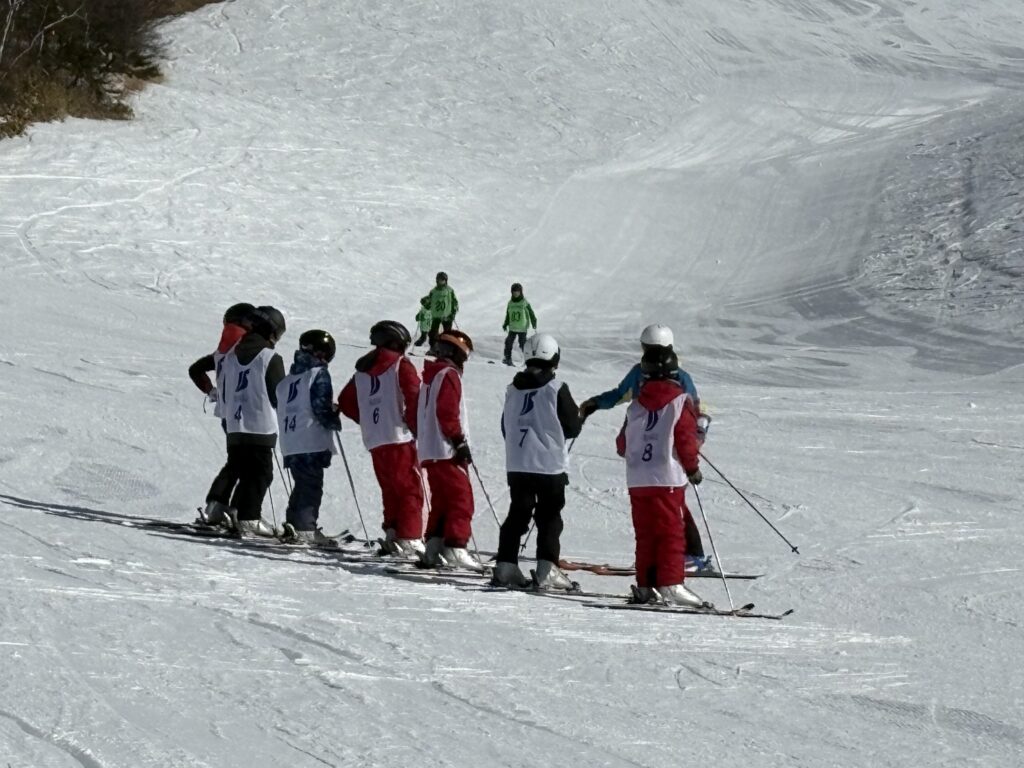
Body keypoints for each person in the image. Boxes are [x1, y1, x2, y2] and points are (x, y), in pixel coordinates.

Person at [579, 323, 712, 571]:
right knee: (665, 502)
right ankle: (676, 554)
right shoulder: (662, 373)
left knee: (667, 503)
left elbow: (621, 395)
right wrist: (595, 403)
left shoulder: (659, 374)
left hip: (655, 441)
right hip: (656, 441)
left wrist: (597, 403)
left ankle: (688, 554)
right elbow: (692, 409)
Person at [615, 346, 710, 608]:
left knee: (646, 534)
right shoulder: (680, 401)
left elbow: (622, 445)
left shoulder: (635, 405)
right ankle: (671, 584)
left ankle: (646, 586)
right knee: (670, 532)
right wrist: (692, 468)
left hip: (638, 479)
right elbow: (685, 440)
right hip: (667, 478)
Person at [493, 333, 583, 590]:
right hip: (548, 465)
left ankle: (506, 565)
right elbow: (572, 426)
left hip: (518, 463)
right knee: (549, 517)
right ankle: (547, 568)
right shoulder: (555, 388)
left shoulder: (512, 389)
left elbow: (506, 426)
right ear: (554, 358)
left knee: (518, 513)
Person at [337, 321, 424, 557]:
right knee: (410, 489)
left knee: (390, 489)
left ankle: (393, 533)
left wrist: (367, 420)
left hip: (375, 439)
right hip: (399, 437)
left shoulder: (361, 372)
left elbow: (345, 401)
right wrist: (416, 426)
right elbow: (414, 396)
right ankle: (409, 538)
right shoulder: (399, 365)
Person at [219, 305, 288, 538]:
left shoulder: (232, 355)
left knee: (243, 470)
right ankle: (249, 517)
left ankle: (236, 512)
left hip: (235, 424)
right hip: (260, 425)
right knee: (261, 473)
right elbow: (279, 395)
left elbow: (224, 389)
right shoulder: (269, 358)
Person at [416, 330, 480, 570]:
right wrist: (458, 442)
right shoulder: (449, 375)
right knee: (461, 500)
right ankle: (455, 547)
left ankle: (433, 548)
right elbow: (447, 412)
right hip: (446, 450)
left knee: (442, 501)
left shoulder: (430, 377)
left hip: (430, 450)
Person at [190, 302, 254, 526]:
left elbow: (195, 369)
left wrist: (212, 391)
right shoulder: (246, 347)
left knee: (236, 462)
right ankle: (232, 512)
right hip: (247, 414)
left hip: (227, 414)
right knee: (249, 465)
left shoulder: (222, 351)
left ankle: (217, 507)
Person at [276, 330, 342, 546]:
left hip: (290, 440)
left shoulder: (287, 381)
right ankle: (305, 528)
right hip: (310, 439)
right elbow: (320, 406)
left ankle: (294, 524)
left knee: (302, 484)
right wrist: (333, 417)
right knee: (311, 485)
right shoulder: (317, 374)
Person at [501, 282, 538, 366]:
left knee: (523, 344)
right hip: (513, 327)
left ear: (521, 292)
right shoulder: (510, 303)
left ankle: (528, 360)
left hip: (522, 327)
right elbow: (508, 314)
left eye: (517, 292)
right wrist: (505, 323)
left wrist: (534, 321)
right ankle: (507, 358)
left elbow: (531, 312)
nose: (516, 293)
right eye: (514, 292)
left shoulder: (524, 302)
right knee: (508, 342)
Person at [425, 271, 459, 352]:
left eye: (442, 280)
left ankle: (447, 349)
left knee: (447, 334)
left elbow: (454, 302)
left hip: (447, 315)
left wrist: (453, 312)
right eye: (439, 280)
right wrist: (425, 303)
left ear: (446, 281)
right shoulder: (433, 291)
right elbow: (429, 303)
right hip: (436, 315)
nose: (441, 282)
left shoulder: (449, 290)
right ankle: (433, 348)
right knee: (433, 333)